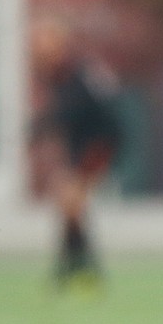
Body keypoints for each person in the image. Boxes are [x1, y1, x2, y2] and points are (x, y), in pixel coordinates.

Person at [29, 16, 123, 294]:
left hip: (98, 144)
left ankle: (75, 271)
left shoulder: (76, 74)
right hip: (82, 145)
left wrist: (36, 129)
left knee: (71, 204)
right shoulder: (56, 74)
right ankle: (78, 272)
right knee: (71, 208)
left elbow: (72, 111)